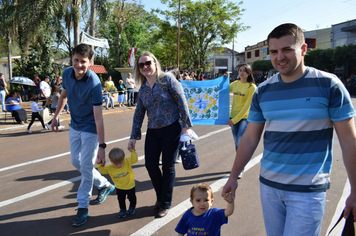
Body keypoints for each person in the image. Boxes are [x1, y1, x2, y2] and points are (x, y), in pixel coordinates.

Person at [222, 23, 356, 236]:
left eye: (287, 49)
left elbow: (349, 141)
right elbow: (249, 139)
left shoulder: (329, 85)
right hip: (270, 188)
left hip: (307, 192)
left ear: (303, 50)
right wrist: (233, 177)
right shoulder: (263, 91)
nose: (279, 57)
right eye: (274, 51)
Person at [50, 43, 114, 227]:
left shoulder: (94, 83)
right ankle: (103, 184)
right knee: (75, 162)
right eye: (76, 60)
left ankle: (83, 206)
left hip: (90, 129)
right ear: (72, 58)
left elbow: (99, 119)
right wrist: (56, 117)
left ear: (90, 62)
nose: (79, 65)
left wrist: (102, 147)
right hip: (74, 125)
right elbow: (63, 96)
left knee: (85, 166)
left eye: (83, 62)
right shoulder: (66, 73)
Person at [128, 51, 193, 218]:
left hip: (171, 128)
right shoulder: (142, 88)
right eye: (141, 65)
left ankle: (165, 203)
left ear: (155, 63)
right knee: (150, 164)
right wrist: (133, 136)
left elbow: (182, 102)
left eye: (147, 63)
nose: (145, 67)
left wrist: (186, 126)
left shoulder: (167, 80)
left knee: (168, 166)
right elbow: (139, 113)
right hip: (153, 130)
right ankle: (160, 196)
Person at [228, 63, 257, 179]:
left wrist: (234, 120)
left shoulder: (252, 87)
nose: (242, 72)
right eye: (240, 70)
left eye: (244, 71)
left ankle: (239, 168)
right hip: (233, 117)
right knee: (237, 143)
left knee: (240, 141)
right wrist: (224, 78)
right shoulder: (234, 84)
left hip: (244, 118)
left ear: (249, 73)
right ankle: (240, 165)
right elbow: (220, 89)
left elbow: (247, 107)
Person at [98, 147, 138, 218]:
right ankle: (122, 209)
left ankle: (132, 206)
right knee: (121, 199)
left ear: (123, 159)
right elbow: (102, 171)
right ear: (111, 161)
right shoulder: (110, 168)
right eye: (116, 164)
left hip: (130, 186)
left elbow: (135, 159)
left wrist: (132, 151)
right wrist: (100, 164)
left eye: (121, 163)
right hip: (119, 187)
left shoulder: (127, 161)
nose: (119, 165)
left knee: (132, 198)